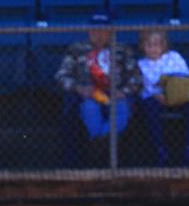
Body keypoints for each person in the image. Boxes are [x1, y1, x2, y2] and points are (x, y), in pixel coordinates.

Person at [55, 13, 142, 165]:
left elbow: (136, 78)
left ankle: (97, 149)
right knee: (90, 108)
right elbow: (62, 75)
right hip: (88, 95)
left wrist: (124, 92)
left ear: (111, 32)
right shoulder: (77, 49)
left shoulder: (122, 49)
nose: (99, 34)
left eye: (104, 30)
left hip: (116, 95)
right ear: (89, 31)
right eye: (95, 30)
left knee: (121, 109)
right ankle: (102, 147)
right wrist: (79, 88)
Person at [137, 28, 189, 166]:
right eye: (149, 45)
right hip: (155, 97)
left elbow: (184, 75)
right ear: (143, 46)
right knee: (148, 106)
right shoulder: (141, 64)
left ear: (164, 45)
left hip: (178, 94)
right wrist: (157, 94)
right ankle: (160, 151)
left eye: (157, 45)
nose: (153, 49)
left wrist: (171, 91)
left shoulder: (174, 56)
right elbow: (145, 85)